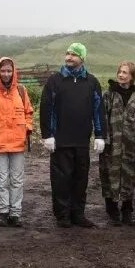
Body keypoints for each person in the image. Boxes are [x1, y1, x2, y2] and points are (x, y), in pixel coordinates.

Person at [40, 43, 105, 228]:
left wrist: (100, 135)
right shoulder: (55, 80)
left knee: (80, 179)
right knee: (61, 180)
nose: (68, 57)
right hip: (60, 141)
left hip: (82, 141)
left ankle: (78, 214)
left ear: (82, 58)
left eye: (73, 55)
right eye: (67, 53)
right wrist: (48, 135)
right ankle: (62, 216)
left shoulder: (91, 82)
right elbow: (46, 108)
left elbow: (98, 109)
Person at [0, 57, 34, 227]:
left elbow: (28, 112)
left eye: (9, 71)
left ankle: (15, 213)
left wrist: (27, 128)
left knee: (17, 179)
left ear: (14, 71)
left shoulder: (22, 91)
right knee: (1, 179)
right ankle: (3, 211)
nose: (6, 74)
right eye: (3, 71)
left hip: (17, 143)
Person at [100, 61, 135, 226]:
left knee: (129, 176)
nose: (121, 75)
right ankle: (112, 209)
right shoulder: (108, 95)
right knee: (109, 176)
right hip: (112, 145)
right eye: (119, 72)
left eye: (125, 73)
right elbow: (102, 120)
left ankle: (127, 210)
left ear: (132, 76)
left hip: (130, 146)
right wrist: (104, 140)